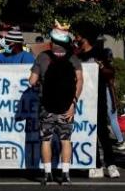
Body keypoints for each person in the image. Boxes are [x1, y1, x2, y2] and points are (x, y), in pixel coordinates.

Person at [29, 27, 84, 185]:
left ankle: (47, 174)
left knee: (46, 140)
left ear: (52, 42)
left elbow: (32, 81)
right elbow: (80, 80)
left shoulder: (42, 57)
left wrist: (37, 81)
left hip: (46, 107)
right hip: (67, 107)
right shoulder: (73, 59)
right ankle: (65, 174)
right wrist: (73, 102)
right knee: (65, 139)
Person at [76, 27, 119, 178]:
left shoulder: (100, 53)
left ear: (85, 37)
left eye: (78, 35)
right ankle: (96, 164)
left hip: (98, 97)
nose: (76, 38)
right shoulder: (77, 55)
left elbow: (111, 73)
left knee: (102, 131)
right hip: (83, 99)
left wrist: (101, 66)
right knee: (88, 131)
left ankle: (111, 164)